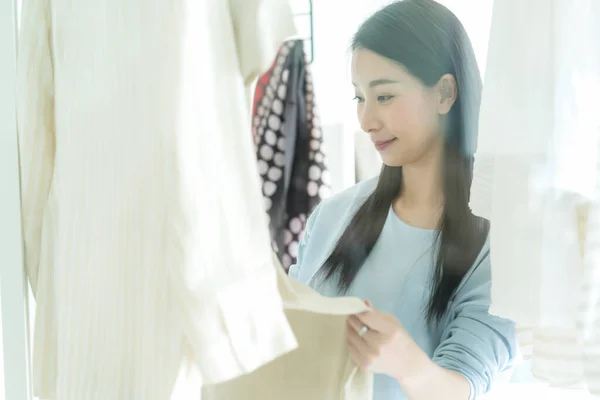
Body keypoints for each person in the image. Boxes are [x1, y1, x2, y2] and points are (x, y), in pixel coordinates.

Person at [288, 1, 518, 399]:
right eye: (359, 98)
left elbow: (464, 387)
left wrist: (407, 363)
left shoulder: (499, 239)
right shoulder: (331, 216)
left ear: (446, 93)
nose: (366, 121)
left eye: (385, 96)